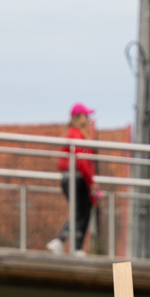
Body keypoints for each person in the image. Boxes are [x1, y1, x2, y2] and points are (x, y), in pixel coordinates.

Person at [49, 104, 102, 254]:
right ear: (78, 117)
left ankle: (68, 244)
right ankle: (69, 245)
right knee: (83, 212)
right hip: (77, 178)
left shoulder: (73, 133)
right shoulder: (76, 134)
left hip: (73, 177)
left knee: (81, 211)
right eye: (86, 115)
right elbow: (82, 161)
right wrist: (91, 182)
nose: (89, 118)